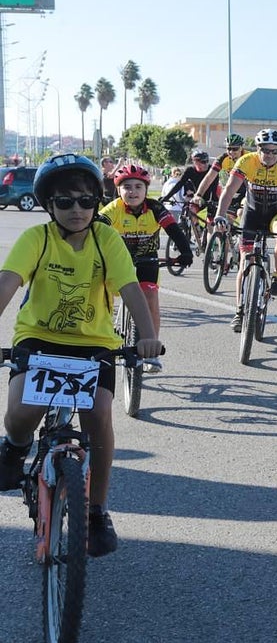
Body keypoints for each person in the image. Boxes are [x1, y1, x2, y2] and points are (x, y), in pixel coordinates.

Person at [0, 154, 164, 557]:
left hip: (94, 343)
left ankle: (96, 511)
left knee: (98, 416)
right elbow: (7, 282)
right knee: (22, 413)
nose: (77, 209)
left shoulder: (106, 240)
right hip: (39, 338)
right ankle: (16, 447)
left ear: (96, 201)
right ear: (49, 205)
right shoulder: (36, 239)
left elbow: (130, 290)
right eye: (65, 201)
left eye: (86, 201)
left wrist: (147, 337)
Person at [213, 129, 277, 331]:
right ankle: (240, 311)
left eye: (275, 151)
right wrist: (220, 215)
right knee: (244, 261)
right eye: (266, 150)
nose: (270, 155)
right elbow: (230, 189)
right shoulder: (246, 161)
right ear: (258, 149)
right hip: (252, 212)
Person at [99, 164, 193, 347]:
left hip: (146, 259)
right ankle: (102, 334)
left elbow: (174, 230)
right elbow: (96, 226)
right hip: (117, 259)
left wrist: (186, 251)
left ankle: (152, 345)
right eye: (127, 187)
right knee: (102, 295)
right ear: (118, 190)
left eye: (138, 187)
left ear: (146, 190)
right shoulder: (114, 208)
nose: (133, 192)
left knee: (150, 298)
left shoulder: (155, 208)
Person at [189, 133, 247, 217]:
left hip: (247, 192)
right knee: (223, 222)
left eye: (235, 149)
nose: (231, 152)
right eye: (229, 148)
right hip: (232, 192)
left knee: (241, 213)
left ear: (241, 147)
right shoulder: (222, 159)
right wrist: (198, 195)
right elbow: (209, 178)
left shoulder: (249, 157)